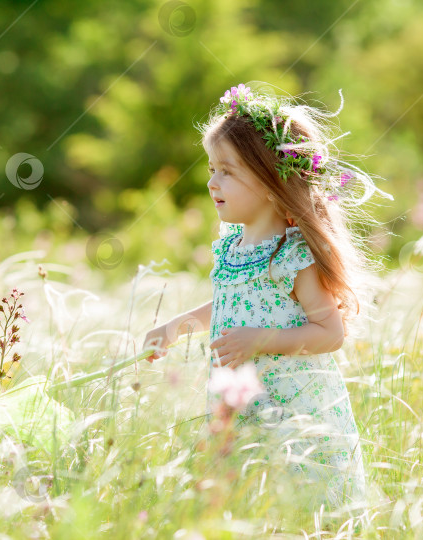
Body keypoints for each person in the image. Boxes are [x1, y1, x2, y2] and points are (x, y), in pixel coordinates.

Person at [142, 82, 393, 518]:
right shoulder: (232, 245)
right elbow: (228, 302)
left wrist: (259, 340)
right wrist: (177, 326)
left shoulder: (290, 253)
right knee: (247, 509)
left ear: (269, 181)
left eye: (227, 171)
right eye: (211, 168)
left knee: (297, 509)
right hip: (242, 405)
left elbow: (329, 333)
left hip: (295, 411)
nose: (211, 182)